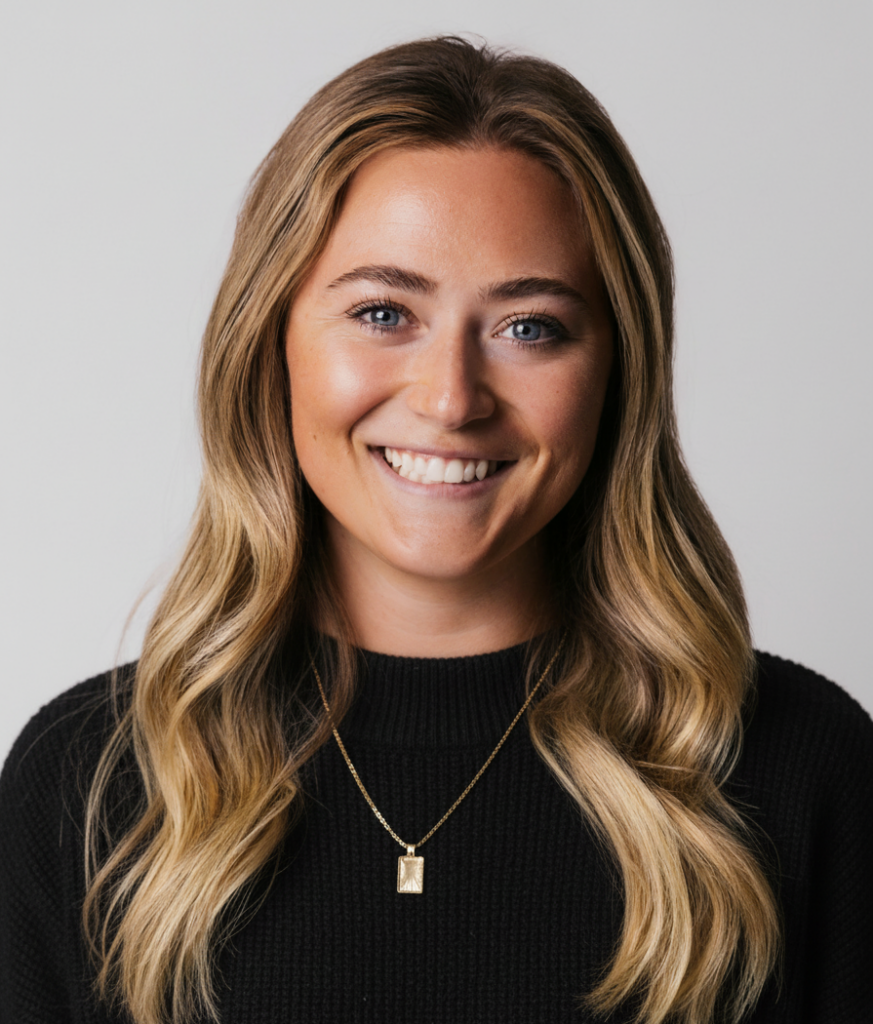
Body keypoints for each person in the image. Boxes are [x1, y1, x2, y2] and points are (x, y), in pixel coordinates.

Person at [1, 35, 870, 1024]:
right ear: (269, 339)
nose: (452, 398)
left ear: (617, 373)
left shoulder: (799, 770)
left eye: (530, 326)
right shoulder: (89, 783)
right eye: (383, 313)